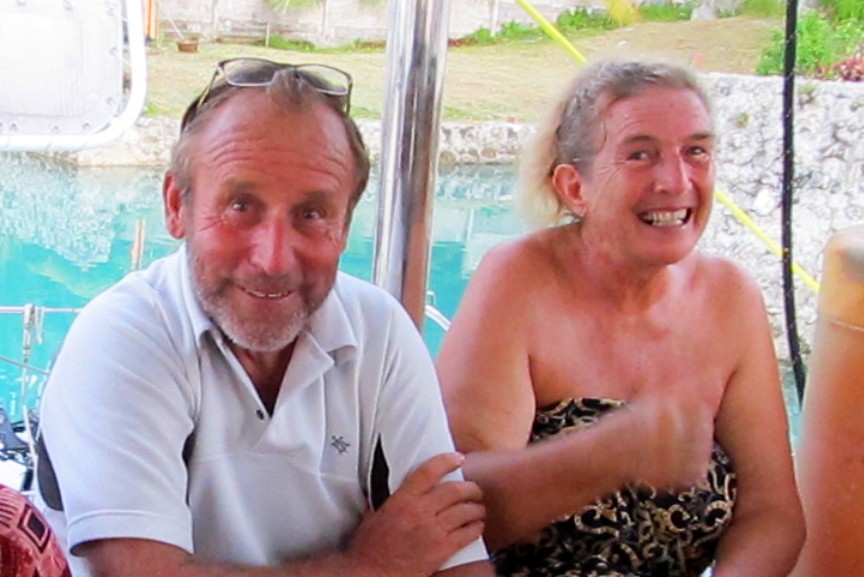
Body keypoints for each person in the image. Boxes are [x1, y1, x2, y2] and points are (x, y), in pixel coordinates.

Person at [33, 58, 493, 577]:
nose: (273, 259)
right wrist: (372, 567)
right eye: (240, 206)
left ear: (345, 226)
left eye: (312, 214)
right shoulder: (124, 336)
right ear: (177, 206)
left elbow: (455, 558)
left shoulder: (379, 332)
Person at [436, 59, 805, 577]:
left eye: (696, 151)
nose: (676, 180)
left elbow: (772, 514)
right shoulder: (518, 281)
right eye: (640, 154)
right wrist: (606, 455)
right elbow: (452, 518)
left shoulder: (730, 297)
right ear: (574, 188)